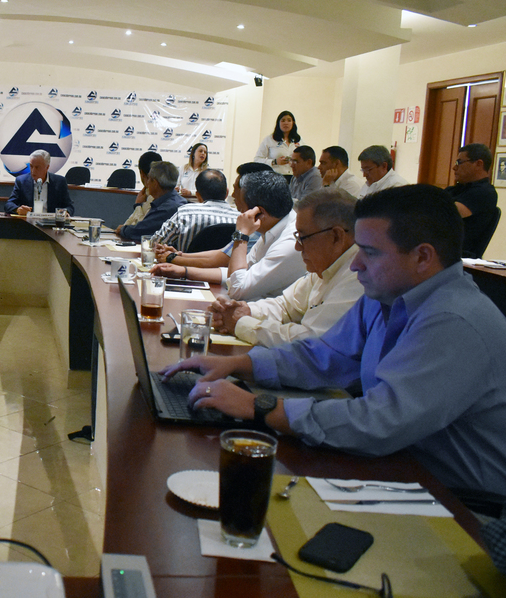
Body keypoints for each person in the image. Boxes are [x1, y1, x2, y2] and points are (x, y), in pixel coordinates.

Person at [163, 184, 506, 499]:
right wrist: (238, 365)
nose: (355, 265)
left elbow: (378, 423)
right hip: (397, 468)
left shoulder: (454, 321)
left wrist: (262, 407)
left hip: (460, 503)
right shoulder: (387, 296)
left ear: (423, 257)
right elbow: (324, 355)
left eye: (369, 252)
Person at [210, 188, 363, 347]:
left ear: (336, 237)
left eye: (303, 237)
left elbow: (311, 341)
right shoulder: (326, 265)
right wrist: (245, 310)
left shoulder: (359, 275)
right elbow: (285, 306)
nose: (297, 247)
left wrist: (240, 322)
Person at [152, 171, 304, 301]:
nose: (240, 214)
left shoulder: (290, 242)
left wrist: (241, 235)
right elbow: (235, 274)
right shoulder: (273, 227)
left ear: (259, 213)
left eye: (242, 210)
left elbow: (238, 288)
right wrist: (184, 271)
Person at [155, 162, 271, 269]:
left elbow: (222, 259)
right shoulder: (251, 223)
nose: (233, 195)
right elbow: (221, 254)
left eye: (236, 190)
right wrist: (177, 255)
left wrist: (173, 258)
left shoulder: (253, 228)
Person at [153, 169, 239, 252]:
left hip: (184, 261)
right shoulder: (240, 218)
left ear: (198, 195)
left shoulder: (185, 213)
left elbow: (157, 242)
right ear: (227, 192)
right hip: (227, 263)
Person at [447, 143, 499, 258]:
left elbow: (446, 213)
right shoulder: (456, 189)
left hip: (454, 255)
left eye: (459, 162)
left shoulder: (485, 193)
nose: (454, 167)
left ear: (478, 164)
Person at [116, 161, 183, 242]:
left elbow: (138, 231)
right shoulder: (176, 201)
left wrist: (123, 229)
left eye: (149, 179)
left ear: (155, 183)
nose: (147, 183)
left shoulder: (165, 209)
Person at [5, 149, 75, 216]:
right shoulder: (22, 181)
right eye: (31, 166)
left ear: (47, 167)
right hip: (27, 222)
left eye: (37, 167)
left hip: (51, 222)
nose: (33, 171)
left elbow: (69, 206)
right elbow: (9, 204)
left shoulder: (59, 182)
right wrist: (18, 209)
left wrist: (65, 212)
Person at [253, 111, 301, 177]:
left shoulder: (299, 140)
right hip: (275, 177)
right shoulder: (269, 139)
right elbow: (257, 160)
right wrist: (274, 162)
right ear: (278, 123)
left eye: (289, 120)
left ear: (293, 123)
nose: (286, 123)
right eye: (283, 121)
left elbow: (305, 158)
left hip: (295, 177)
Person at [122, 150, 162, 226]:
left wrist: (138, 205)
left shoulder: (155, 195)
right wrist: (122, 228)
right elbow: (131, 221)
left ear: (142, 173)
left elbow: (141, 227)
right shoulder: (146, 193)